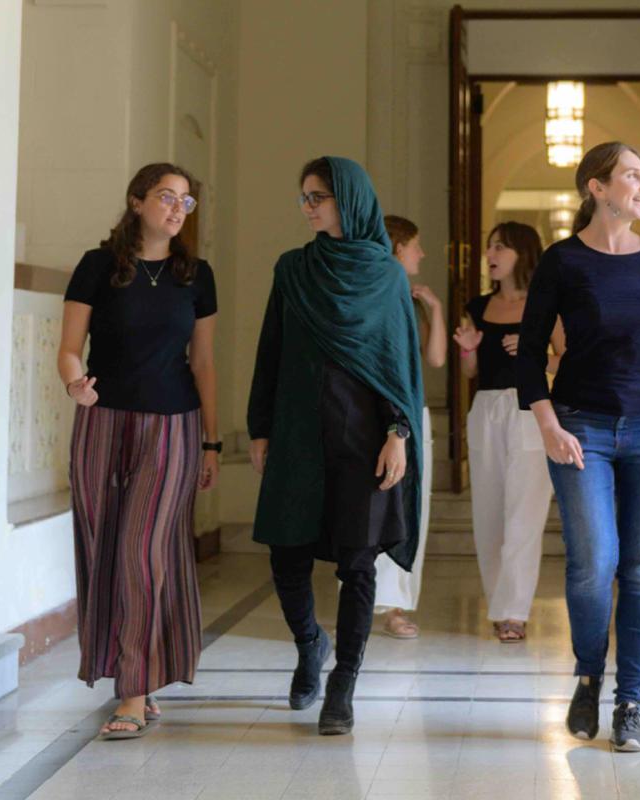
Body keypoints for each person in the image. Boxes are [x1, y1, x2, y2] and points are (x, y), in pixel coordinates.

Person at [516, 141, 640, 753]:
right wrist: (547, 422)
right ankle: (588, 674)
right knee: (593, 562)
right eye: (632, 175)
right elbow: (527, 352)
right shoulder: (562, 262)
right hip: (581, 428)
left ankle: (632, 701)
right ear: (596, 187)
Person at [247, 156, 425, 736]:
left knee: (357, 564)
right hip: (298, 432)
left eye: (318, 196)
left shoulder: (387, 276)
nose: (308, 207)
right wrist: (260, 428)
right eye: (303, 197)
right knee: (286, 555)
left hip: (363, 439)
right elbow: (270, 351)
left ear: (348, 200)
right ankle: (309, 644)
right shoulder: (292, 269)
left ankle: (343, 683)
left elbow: (400, 365)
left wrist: (399, 433)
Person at [58, 162, 219, 740]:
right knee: (106, 547)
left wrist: (212, 441)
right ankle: (139, 679)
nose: (177, 209)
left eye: (186, 202)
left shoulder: (196, 276)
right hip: (102, 424)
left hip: (174, 427)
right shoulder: (98, 266)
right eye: (166, 197)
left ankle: (132, 691)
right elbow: (70, 348)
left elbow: (203, 363)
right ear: (136, 202)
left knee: (141, 551)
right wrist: (75, 383)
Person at [453, 221, 559, 643]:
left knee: (524, 517)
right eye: (488, 246)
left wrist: (537, 356)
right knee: (490, 515)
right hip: (486, 409)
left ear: (523, 253)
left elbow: (569, 361)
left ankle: (514, 612)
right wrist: (468, 348)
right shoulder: (476, 306)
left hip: (533, 411)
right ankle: (500, 606)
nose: (490, 254)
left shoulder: (546, 304)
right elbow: (470, 372)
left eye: (499, 247)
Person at [367, 215, 443, 640]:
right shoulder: (373, 293)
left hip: (413, 413)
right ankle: (365, 598)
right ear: (398, 248)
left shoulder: (412, 300)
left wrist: (435, 308)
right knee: (371, 507)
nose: (421, 253)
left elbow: (434, 360)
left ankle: (396, 605)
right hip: (375, 415)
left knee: (413, 509)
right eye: (415, 245)